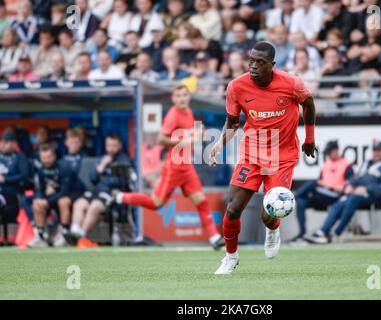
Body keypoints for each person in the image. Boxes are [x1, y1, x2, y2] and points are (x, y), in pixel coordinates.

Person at [208, 41, 317, 274]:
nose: (254, 66)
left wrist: (309, 139)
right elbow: (233, 123)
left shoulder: (291, 84)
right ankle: (231, 257)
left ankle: (273, 229)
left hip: (282, 155)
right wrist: (219, 144)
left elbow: (308, 105)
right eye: (252, 61)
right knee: (233, 209)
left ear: (272, 65)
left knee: (268, 215)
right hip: (251, 153)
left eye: (261, 62)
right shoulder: (236, 86)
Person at [113, 85, 224, 249]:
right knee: (155, 203)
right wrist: (185, 140)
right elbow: (160, 139)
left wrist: (197, 134)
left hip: (187, 168)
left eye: (184, 95)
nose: (182, 98)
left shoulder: (189, 112)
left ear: (188, 97)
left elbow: (189, 137)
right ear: (173, 99)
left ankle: (214, 238)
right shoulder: (173, 115)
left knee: (201, 202)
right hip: (173, 168)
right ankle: (121, 197)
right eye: (178, 96)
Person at [305, 141, 381, 244]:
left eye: (379, 150)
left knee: (353, 199)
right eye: (374, 150)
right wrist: (350, 185)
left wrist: (367, 189)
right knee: (340, 201)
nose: (376, 153)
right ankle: (322, 232)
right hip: (357, 194)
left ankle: (336, 234)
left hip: (373, 196)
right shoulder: (367, 163)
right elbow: (356, 177)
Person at [70, 133, 132, 248]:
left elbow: (122, 183)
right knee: (79, 203)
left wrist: (108, 173)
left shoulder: (124, 160)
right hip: (96, 191)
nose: (111, 148)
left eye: (114, 145)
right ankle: (74, 230)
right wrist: (102, 165)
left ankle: (81, 236)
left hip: (111, 193)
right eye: (109, 145)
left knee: (94, 206)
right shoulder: (102, 159)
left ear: (119, 146)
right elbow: (92, 178)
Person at [290, 140, 353, 243]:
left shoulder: (346, 165)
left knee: (312, 184)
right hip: (322, 194)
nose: (328, 155)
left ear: (336, 151)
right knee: (301, 202)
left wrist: (335, 187)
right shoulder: (326, 164)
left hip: (335, 195)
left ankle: (292, 199)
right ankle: (302, 233)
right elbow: (321, 181)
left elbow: (349, 186)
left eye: (330, 152)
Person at [28, 143, 73, 248]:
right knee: (36, 203)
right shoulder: (41, 170)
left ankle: (64, 234)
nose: (46, 160)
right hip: (52, 197)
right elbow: (40, 190)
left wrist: (48, 201)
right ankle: (40, 236)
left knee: (63, 201)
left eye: (49, 157)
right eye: (43, 158)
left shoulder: (64, 167)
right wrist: (39, 198)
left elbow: (65, 191)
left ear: (54, 156)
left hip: (70, 194)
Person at [0, 132, 29, 232]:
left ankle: (10, 237)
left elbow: (24, 175)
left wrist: (5, 179)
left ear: (13, 143)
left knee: (8, 208)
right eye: (2, 142)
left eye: (5, 142)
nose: (2, 145)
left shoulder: (19, 157)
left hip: (13, 191)